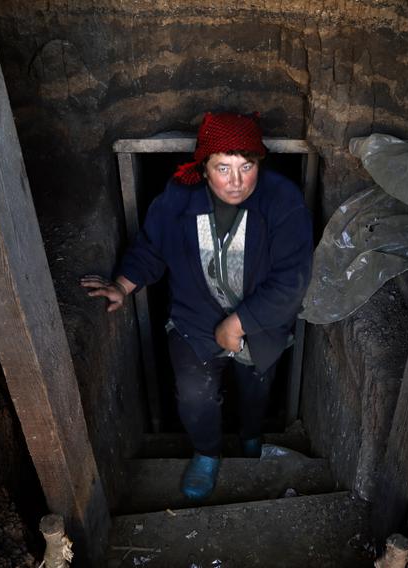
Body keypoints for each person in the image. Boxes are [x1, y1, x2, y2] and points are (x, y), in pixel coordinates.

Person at [81, 111, 313, 501]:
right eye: (223, 168)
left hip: (262, 323)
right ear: (203, 168)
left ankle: (251, 438)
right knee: (194, 393)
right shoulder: (179, 196)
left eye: (247, 166)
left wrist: (239, 324)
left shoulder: (282, 200)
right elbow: (153, 246)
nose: (236, 181)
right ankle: (207, 452)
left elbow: (292, 278)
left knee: (256, 386)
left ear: (260, 164)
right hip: (196, 317)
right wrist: (123, 285)